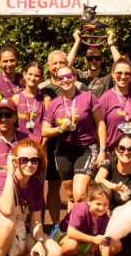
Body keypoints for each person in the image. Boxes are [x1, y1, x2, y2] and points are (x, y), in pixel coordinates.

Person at [42, 66, 105, 204]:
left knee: (80, 194)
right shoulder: (54, 104)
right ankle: (77, 216)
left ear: (75, 77)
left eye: (69, 76)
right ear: (57, 81)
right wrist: (60, 129)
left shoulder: (88, 97)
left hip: (86, 148)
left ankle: (91, 215)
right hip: (64, 151)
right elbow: (45, 131)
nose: (65, 80)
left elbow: (100, 124)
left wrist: (102, 150)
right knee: (71, 195)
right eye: (61, 77)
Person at [38, 50, 86, 226]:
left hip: (76, 145)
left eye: (62, 63)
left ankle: (74, 225)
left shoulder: (79, 86)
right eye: (54, 63)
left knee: (74, 189)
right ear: (48, 66)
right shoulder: (42, 88)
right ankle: (56, 225)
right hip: (51, 145)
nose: (58, 66)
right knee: (52, 186)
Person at [94, 134, 131, 256]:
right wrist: (114, 187)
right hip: (106, 219)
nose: (126, 152)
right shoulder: (109, 164)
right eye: (122, 148)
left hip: (129, 225)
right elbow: (98, 180)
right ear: (116, 150)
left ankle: (123, 249)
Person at [53, 183, 121, 256]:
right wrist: (94, 240)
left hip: (86, 238)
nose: (101, 208)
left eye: (105, 204)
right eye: (98, 204)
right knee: (72, 244)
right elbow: (71, 233)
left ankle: (85, 254)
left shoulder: (105, 216)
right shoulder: (80, 209)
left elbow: (104, 244)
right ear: (88, 201)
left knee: (116, 245)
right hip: (64, 235)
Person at [96, 58, 131, 151]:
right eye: (119, 73)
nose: (123, 76)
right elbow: (99, 126)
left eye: (127, 73)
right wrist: (103, 150)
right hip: (114, 151)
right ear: (113, 74)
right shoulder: (105, 98)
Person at [67, 29, 122, 98]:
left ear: (102, 59)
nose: (93, 61)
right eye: (90, 58)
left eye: (97, 58)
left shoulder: (107, 77)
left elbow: (121, 65)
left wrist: (110, 42)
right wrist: (77, 41)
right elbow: (66, 66)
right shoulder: (79, 75)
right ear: (85, 60)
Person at [12, 61, 47, 141]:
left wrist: (42, 145)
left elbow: (48, 125)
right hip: (19, 144)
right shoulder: (16, 98)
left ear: (41, 78)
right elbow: (11, 124)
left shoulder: (45, 99)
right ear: (24, 74)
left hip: (38, 144)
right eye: (30, 74)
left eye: (36, 75)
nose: (32, 78)